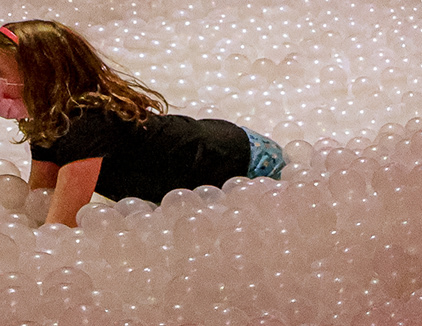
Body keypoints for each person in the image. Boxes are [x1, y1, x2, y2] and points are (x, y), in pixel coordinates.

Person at [1, 20, 284, 228]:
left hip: (249, 159)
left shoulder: (86, 125)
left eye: (1, 75)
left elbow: (61, 226)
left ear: (44, 75)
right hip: (210, 147)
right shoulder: (49, 122)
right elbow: (38, 200)